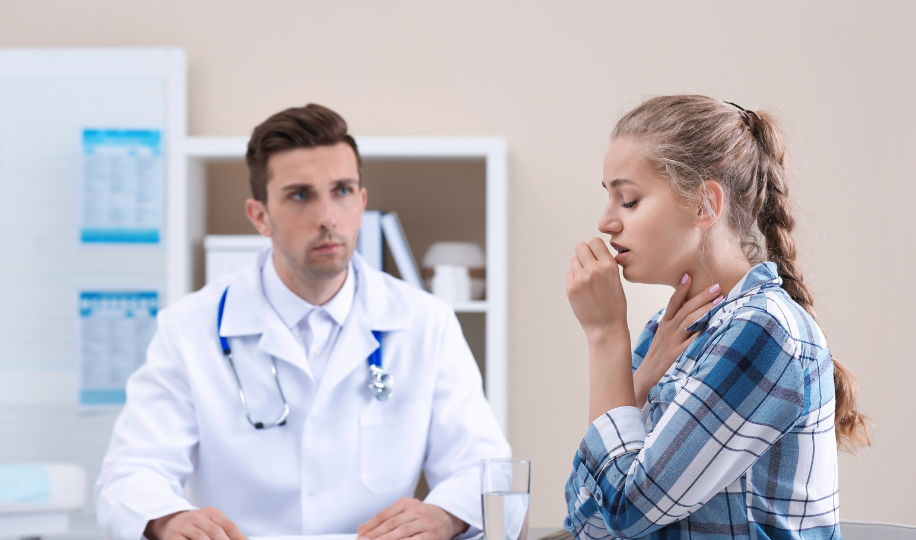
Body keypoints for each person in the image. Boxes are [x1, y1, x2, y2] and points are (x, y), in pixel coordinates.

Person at [95, 104, 510, 540]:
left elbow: (484, 467)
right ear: (260, 216)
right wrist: (168, 519)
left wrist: (446, 515)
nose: (327, 217)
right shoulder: (188, 328)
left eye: (343, 190)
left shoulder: (426, 323)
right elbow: (131, 472)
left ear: (361, 203)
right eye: (300, 195)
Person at [562, 95, 870, 539]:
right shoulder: (668, 331)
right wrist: (639, 382)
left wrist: (606, 335)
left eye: (627, 200)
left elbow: (626, 511)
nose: (606, 222)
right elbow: (587, 523)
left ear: (705, 205)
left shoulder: (764, 330)